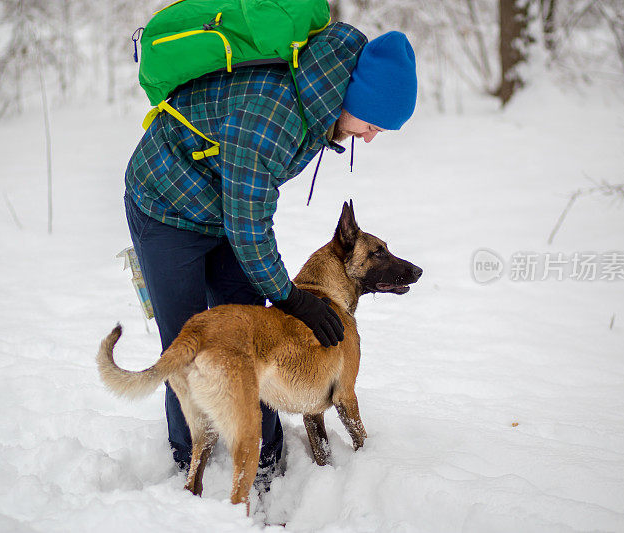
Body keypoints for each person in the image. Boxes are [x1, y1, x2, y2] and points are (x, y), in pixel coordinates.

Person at [123, 22, 417, 478]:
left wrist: (279, 296)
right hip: (166, 201)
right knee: (188, 342)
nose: (370, 136)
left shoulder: (317, 102)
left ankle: (267, 464)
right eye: (373, 124)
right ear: (356, 101)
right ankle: (189, 464)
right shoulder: (276, 114)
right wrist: (291, 296)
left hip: (222, 205)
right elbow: (249, 223)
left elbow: (245, 209)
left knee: (252, 335)